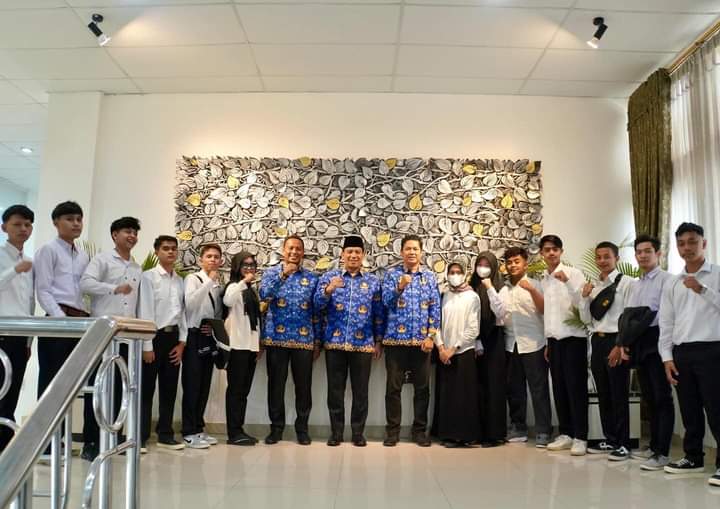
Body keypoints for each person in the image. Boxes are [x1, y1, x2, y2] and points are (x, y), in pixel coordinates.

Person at [660, 223, 720, 487]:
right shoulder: (672, 282)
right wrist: (667, 357)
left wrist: (702, 289)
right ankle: (693, 457)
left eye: (692, 241)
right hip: (681, 352)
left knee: (716, 408)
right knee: (689, 409)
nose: (687, 247)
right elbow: (666, 322)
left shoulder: (717, 275)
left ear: (703, 243)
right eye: (681, 243)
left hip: (712, 350)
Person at [79, 216, 142, 460]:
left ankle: (113, 438)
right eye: (127, 231)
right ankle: (91, 441)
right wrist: (113, 288)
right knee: (97, 388)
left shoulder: (136, 268)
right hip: (102, 334)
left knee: (120, 388)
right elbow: (86, 284)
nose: (132, 236)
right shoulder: (102, 259)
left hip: (125, 336)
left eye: (135, 232)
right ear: (115, 235)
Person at [314, 235, 384, 447]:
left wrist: (378, 341)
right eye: (349, 252)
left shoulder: (373, 282)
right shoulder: (329, 277)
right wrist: (328, 290)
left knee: (361, 392)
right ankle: (336, 433)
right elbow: (316, 305)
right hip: (334, 343)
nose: (353, 255)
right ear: (342, 254)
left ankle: (357, 433)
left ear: (363, 255)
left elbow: (378, 314)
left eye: (357, 252)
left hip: (363, 345)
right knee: (335, 391)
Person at [616, 234, 674, 470]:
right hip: (639, 343)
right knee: (649, 397)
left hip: (659, 340)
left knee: (662, 397)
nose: (642, 255)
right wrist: (624, 342)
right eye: (638, 252)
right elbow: (628, 316)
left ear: (658, 253)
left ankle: (662, 453)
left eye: (647, 251)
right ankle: (653, 446)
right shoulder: (635, 284)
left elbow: (667, 316)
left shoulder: (668, 280)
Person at [260, 235, 320, 446]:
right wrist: (283, 275)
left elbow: (317, 311)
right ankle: (276, 429)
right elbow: (264, 296)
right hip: (276, 339)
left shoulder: (312, 278)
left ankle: (302, 429)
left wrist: (317, 341)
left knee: (303, 388)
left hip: (304, 340)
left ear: (303, 252)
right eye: (290, 248)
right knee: (275, 386)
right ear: (283, 251)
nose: (294, 252)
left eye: (298, 249)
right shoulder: (270, 274)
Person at [381, 234, 440, 447]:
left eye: (415, 249)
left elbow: (435, 308)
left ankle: (419, 431)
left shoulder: (429, 277)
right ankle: (392, 432)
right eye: (408, 248)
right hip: (395, 342)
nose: (412, 252)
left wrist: (431, 336)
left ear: (421, 252)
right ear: (401, 252)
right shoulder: (391, 275)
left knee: (422, 389)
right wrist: (399, 287)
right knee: (393, 389)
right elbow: (385, 303)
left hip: (422, 343)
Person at [580, 241, 635, 461]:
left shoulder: (627, 283)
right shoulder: (593, 286)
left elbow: (629, 317)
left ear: (616, 259)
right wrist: (584, 298)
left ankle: (623, 443)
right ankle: (610, 439)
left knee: (618, 394)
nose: (602, 261)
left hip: (616, 341)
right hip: (598, 341)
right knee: (604, 393)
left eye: (607, 256)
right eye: (599, 257)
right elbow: (587, 320)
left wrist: (621, 345)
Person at [491, 246, 551, 448]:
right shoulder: (504, 290)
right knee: (514, 390)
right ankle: (518, 428)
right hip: (511, 345)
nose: (512, 265)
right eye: (509, 262)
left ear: (525, 263)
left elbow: (545, 311)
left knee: (539, 390)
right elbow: (500, 315)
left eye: (516, 261)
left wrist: (532, 290)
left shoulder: (537, 285)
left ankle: (543, 430)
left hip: (535, 344)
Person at [539, 235, 589, 456]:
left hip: (573, 339)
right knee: (559, 388)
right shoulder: (544, 279)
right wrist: (547, 340)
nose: (551, 253)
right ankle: (566, 433)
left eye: (555, 249)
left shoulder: (574, 273)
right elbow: (549, 314)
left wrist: (567, 282)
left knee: (576, 388)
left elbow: (582, 303)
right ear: (542, 253)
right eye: (547, 249)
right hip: (554, 341)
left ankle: (581, 437)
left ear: (561, 251)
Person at [138, 235, 187, 452]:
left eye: (174, 248)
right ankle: (140, 436)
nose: (170, 252)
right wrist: (147, 346)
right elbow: (145, 311)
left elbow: (182, 313)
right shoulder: (148, 277)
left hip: (173, 339)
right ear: (157, 252)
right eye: (166, 248)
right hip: (154, 338)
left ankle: (165, 433)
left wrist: (182, 342)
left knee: (169, 388)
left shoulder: (179, 280)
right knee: (146, 390)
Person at [436, 261, 481, 448]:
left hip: (463, 351)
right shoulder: (444, 295)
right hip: (444, 353)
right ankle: (449, 435)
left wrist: (453, 348)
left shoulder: (472, 297)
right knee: (448, 395)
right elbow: (436, 322)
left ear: (464, 274)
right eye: (451, 272)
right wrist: (441, 347)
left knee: (464, 395)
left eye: (458, 272)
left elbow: (473, 328)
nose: (455, 275)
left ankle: (466, 435)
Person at [0, 205, 34, 452]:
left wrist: (29, 341)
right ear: (4, 228)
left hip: (21, 336)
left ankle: (5, 445)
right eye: (17, 224)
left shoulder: (28, 261)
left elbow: (29, 302)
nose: (23, 229)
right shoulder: (2, 256)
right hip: (3, 332)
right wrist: (14, 270)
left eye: (28, 224)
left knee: (13, 392)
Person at [182, 243, 223, 449]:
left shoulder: (217, 285)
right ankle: (188, 431)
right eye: (209, 256)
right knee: (192, 385)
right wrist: (209, 282)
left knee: (204, 385)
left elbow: (216, 314)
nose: (213, 260)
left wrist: (214, 329)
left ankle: (198, 428)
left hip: (208, 338)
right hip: (192, 337)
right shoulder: (193, 279)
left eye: (216, 257)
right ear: (201, 260)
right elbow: (190, 304)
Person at [222, 251, 261, 446]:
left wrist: (257, 346)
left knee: (243, 391)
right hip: (236, 346)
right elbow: (227, 301)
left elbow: (255, 321)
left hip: (250, 347)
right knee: (235, 390)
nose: (249, 268)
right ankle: (233, 432)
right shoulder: (234, 287)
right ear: (237, 267)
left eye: (252, 265)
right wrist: (243, 282)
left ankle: (239, 429)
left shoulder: (251, 290)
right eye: (245, 265)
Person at [469, 252, 507, 447]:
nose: (482, 268)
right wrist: (476, 341)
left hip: (494, 341)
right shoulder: (471, 286)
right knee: (477, 388)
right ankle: (478, 432)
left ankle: (494, 434)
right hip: (475, 341)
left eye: (487, 265)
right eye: (480, 264)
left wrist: (490, 288)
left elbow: (501, 313)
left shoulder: (501, 287)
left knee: (494, 387)